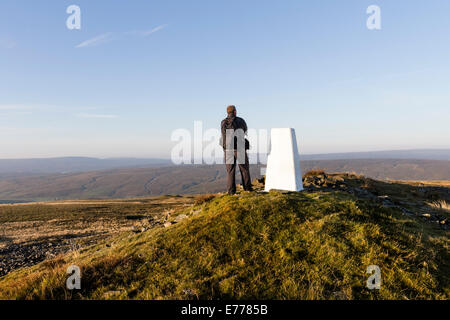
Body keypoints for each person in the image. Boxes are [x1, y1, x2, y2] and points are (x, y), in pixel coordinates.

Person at [221, 105, 252, 195]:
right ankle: (247, 189)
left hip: (228, 150)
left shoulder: (223, 122)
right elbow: (245, 131)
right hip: (240, 148)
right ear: (235, 111)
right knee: (244, 169)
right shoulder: (240, 120)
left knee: (230, 171)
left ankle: (231, 192)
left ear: (227, 112)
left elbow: (223, 134)